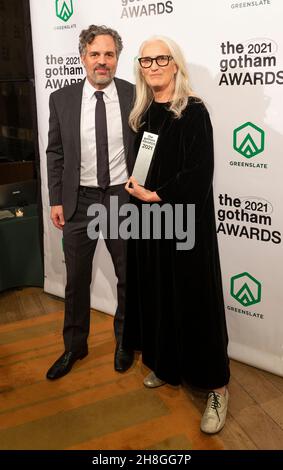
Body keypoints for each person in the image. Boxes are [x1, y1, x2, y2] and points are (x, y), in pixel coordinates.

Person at [123, 36, 230, 434]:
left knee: (196, 302)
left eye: (160, 58)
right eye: (145, 60)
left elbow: (199, 174)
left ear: (174, 64)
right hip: (151, 224)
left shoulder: (194, 110)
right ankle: (166, 365)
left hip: (187, 225)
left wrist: (158, 195)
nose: (152, 66)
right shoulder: (146, 113)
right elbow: (144, 165)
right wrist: (137, 190)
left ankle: (217, 386)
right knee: (160, 297)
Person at [46, 25, 135, 380]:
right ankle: (74, 347)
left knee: (128, 277)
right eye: (95, 54)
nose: (102, 61)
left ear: (117, 58)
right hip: (78, 202)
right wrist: (56, 199)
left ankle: (126, 342)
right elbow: (55, 152)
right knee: (76, 280)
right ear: (83, 57)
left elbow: (147, 143)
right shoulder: (62, 99)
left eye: (109, 54)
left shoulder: (133, 94)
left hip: (120, 199)